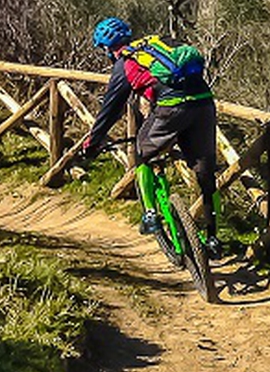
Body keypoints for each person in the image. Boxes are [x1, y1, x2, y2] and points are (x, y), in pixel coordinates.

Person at [75, 17, 218, 257]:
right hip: (204, 103)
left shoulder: (125, 63)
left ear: (107, 49)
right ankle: (214, 237)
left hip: (171, 108)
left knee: (143, 153)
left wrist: (93, 142)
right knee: (206, 171)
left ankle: (150, 214)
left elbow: (110, 110)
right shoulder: (157, 41)